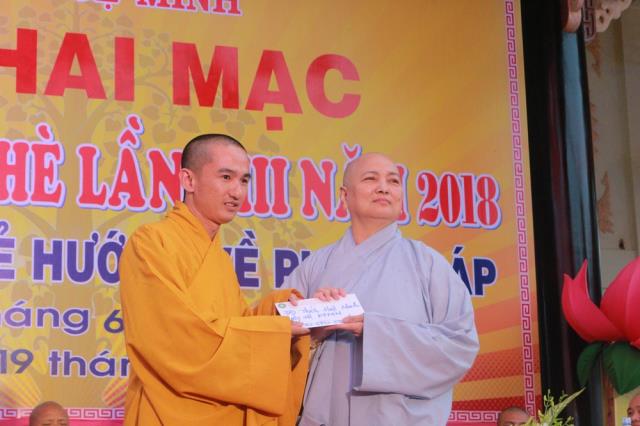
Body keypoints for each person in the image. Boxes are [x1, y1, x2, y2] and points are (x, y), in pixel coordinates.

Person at [119, 134, 309, 426]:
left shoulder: (218, 256)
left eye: (244, 180)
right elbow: (175, 339)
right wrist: (276, 330)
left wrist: (286, 309)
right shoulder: (151, 242)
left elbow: (235, 327)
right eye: (226, 177)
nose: (237, 191)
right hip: (165, 409)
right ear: (188, 180)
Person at [283, 152, 479, 425]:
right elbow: (274, 342)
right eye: (370, 179)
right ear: (344, 196)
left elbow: (460, 346)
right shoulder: (314, 267)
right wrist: (315, 332)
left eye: (393, 181)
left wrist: (374, 331)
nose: (384, 188)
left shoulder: (428, 264)